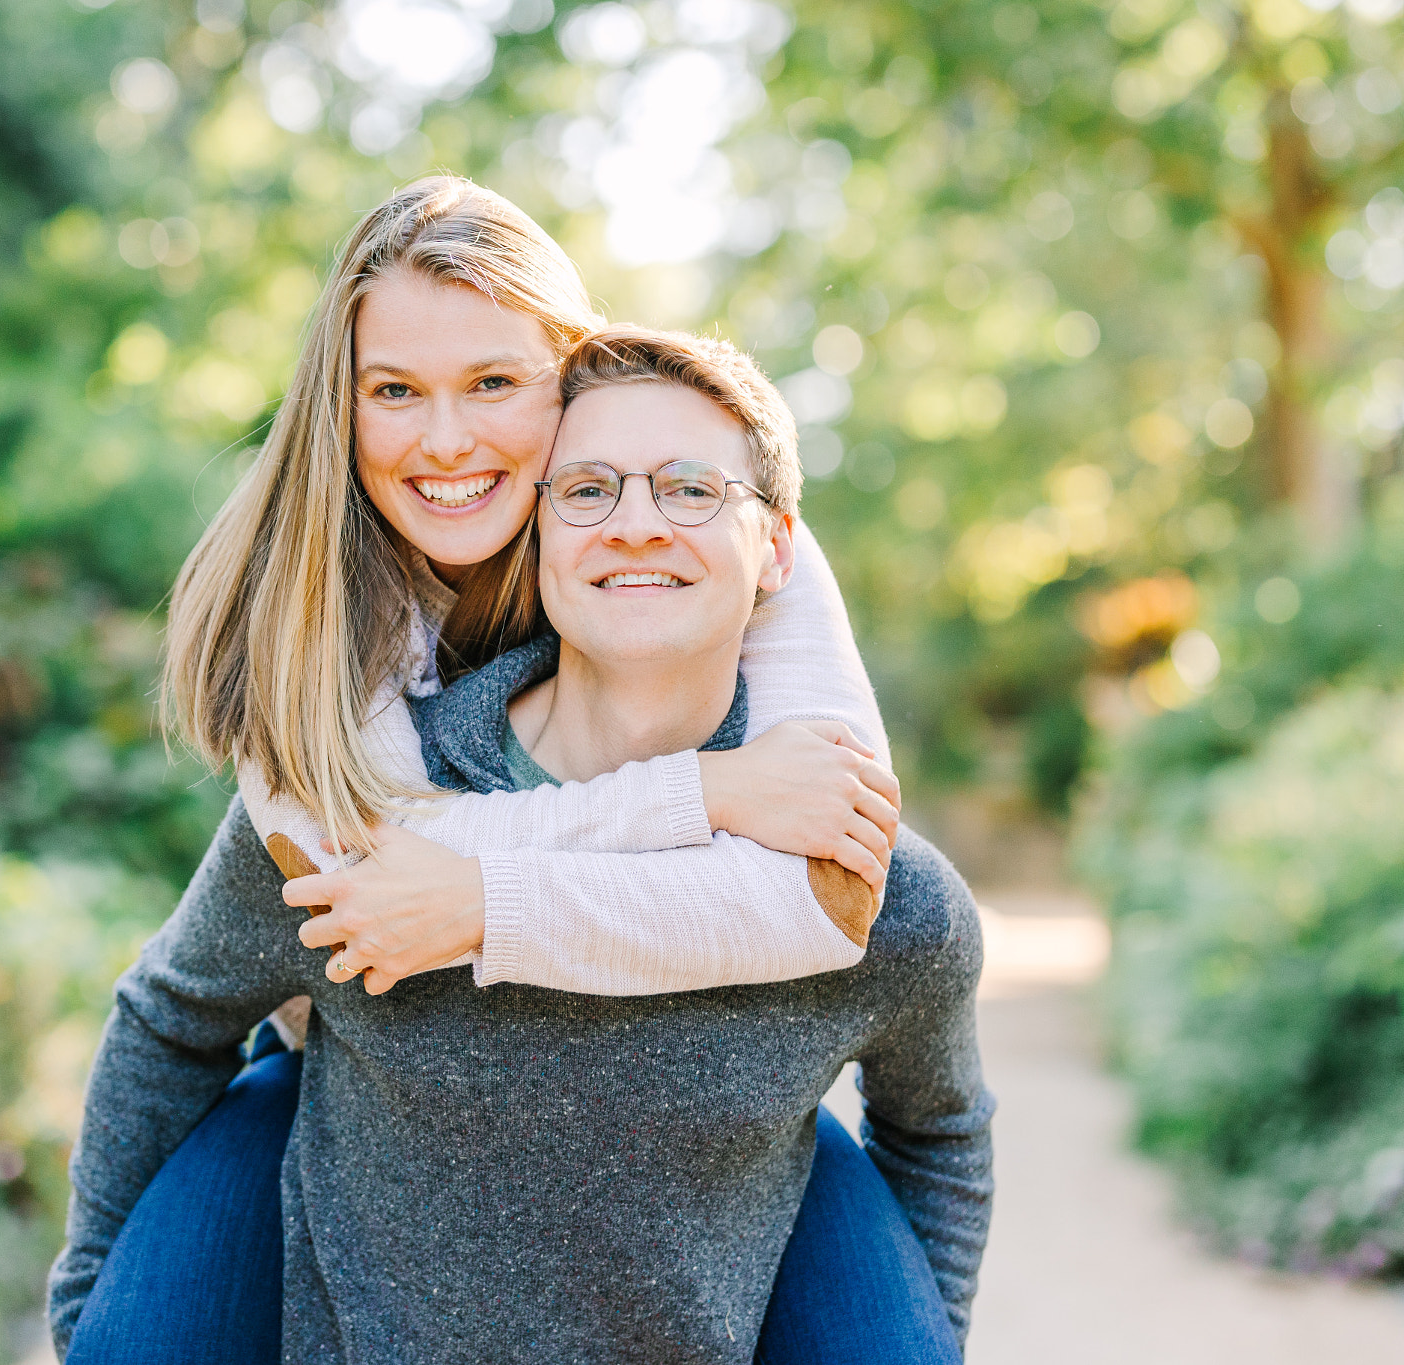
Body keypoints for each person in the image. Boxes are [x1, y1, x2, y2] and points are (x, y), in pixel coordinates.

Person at [53, 177, 936, 1365]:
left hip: (704, 1129)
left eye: (492, 383)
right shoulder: (303, 624)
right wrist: (705, 797)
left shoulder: (686, 515)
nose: (447, 440)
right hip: (359, 1073)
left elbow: (824, 903)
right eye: (394, 391)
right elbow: (379, 881)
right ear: (341, 405)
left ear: (573, 386)